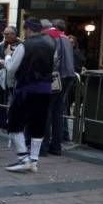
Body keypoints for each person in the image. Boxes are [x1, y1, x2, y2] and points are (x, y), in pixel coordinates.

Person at [4, 18, 55, 173]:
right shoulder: (51, 45)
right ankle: (34, 160)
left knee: (14, 123)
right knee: (38, 124)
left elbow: (12, 69)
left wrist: (7, 57)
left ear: (28, 30)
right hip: (46, 90)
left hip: (26, 90)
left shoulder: (24, 46)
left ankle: (23, 158)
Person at [41, 18, 75, 156]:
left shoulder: (52, 37)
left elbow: (54, 58)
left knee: (47, 112)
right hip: (68, 76)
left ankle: (44, 146)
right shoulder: (66, 38)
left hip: (56, 77)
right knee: (58, 112)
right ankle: (56, 146)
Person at [0, 26, 22, 129]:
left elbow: (17, 63)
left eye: (7, 34)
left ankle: (10, 122)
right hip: (2, 78)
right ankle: (1, 120)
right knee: (1, 99)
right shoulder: (2, 46)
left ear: (14, 34)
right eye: (4, 34)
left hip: (14, 79)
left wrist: (5, 61)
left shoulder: (20, 46)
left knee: (12, 101)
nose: (5, 37)